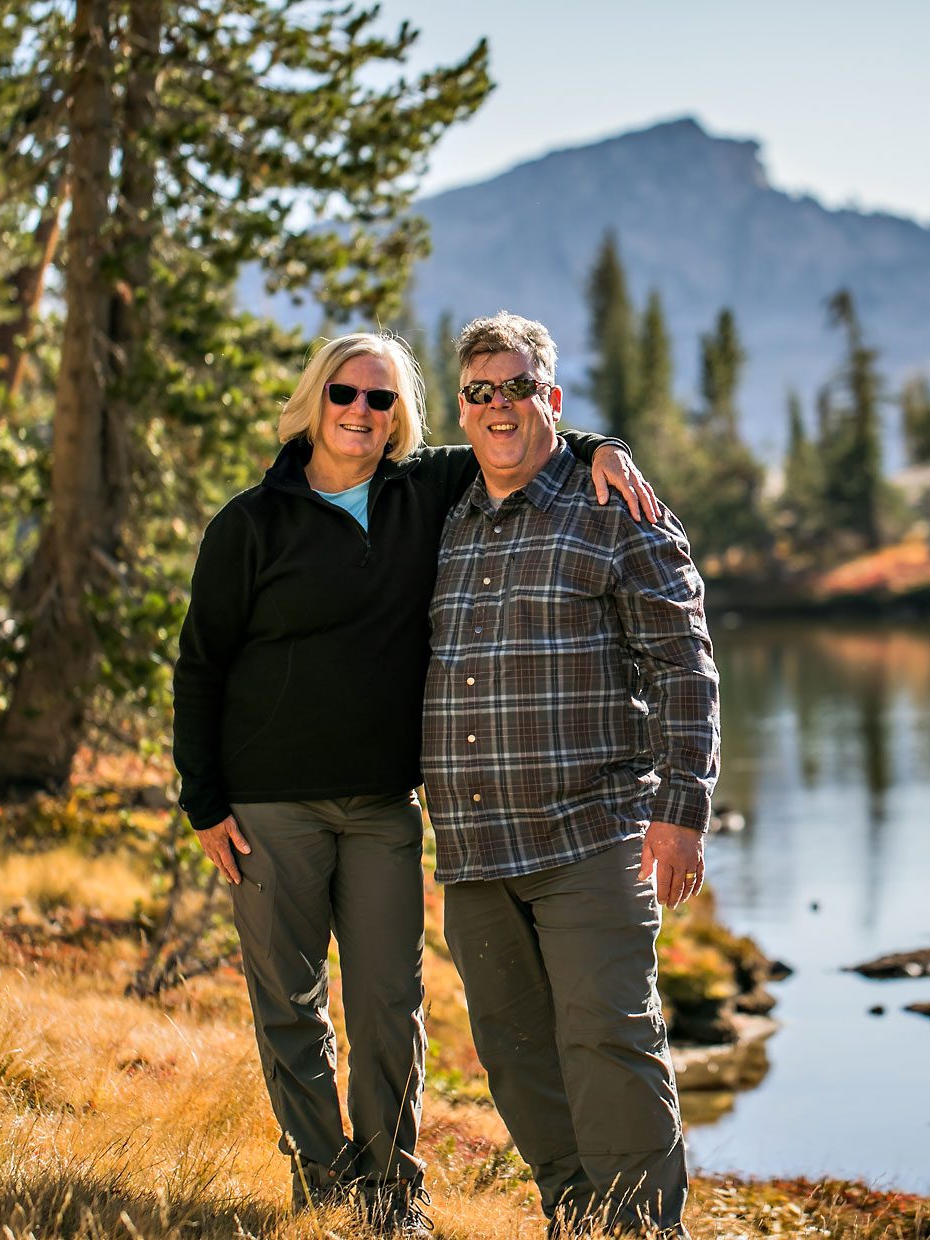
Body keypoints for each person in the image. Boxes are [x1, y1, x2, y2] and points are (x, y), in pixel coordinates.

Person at [171, 330, 656, 1234]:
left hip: (384, 810)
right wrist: (204, 801)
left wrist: (605, 448)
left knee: (391, 1009)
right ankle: (324, 1185)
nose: (361, 412)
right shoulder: (250, 522)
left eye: (382, 399)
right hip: (268, 808)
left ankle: (393, 1196)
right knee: (290, 1005)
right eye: (347, 395)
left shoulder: (427, 489)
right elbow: (201, 665)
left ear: (402, 418)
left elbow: (520, 429)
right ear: (316, 400)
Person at [422, 312, 719, 1238]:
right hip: (475, 850)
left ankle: (639, 1229)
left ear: (550, 398)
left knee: (608, 1041)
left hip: (593, 834)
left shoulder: (613, 507)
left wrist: (680, 812)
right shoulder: (443, 515)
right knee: (513, 1056)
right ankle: (577, 1218)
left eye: (519, 388)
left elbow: (684, 661)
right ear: (462, 409)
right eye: (481, 392)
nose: (500, 407)